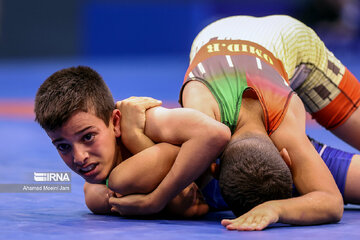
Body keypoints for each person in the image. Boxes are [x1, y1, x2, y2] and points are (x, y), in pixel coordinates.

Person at [109, 15, 360, 230]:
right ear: (286, 157)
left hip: (290, 41)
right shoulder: (275, 120)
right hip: (220, 40)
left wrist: (276, 209)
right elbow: (330, 201)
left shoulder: (282, 117)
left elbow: (332, 203)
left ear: (212, 167)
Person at [34, 66, 230, 217]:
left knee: (122, 178)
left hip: (246, 161)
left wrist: (156, 200)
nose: (79, 157)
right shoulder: (99, 195)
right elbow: (184, 202)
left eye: (88, 137)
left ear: (116, 122)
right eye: (63, 147)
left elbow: (216, 134)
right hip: (231, 196)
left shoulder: (148, 120)